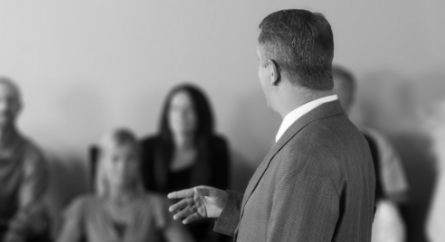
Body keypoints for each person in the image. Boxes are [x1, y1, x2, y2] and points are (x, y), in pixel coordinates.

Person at [168, 9, 376, 242]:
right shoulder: (351, 135)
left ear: (273, 71)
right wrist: (230, 207)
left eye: (259, 62)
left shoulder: (305, 154)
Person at [57, 129, 193, 242]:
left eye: (130, 159)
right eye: (115, 159)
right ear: (102, 163)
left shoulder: (158, 205)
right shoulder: (83, 206)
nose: (122, 167)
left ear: (139, 163)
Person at [140, 84, 230, 242]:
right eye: (174, 108)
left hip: (202, 232)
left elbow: (220, 202)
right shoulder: (148, 148)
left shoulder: (216, 147)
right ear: (166, 113)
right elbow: (146, 200)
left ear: (201, 114)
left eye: (190, 109)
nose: (181, 115)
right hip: (160, 229)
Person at [332, 66, 408, 242]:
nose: (335, 96)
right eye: (328, 89)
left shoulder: (374, 142)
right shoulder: (292, 143)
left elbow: (397, 196)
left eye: (342, 89)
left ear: (352, 96)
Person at [0, 77, 50, 242]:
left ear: (19, 108)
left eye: (10, 101)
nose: (4, 107)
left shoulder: (32, 156)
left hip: (14, 233)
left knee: (38, 217)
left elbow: (27, 211)